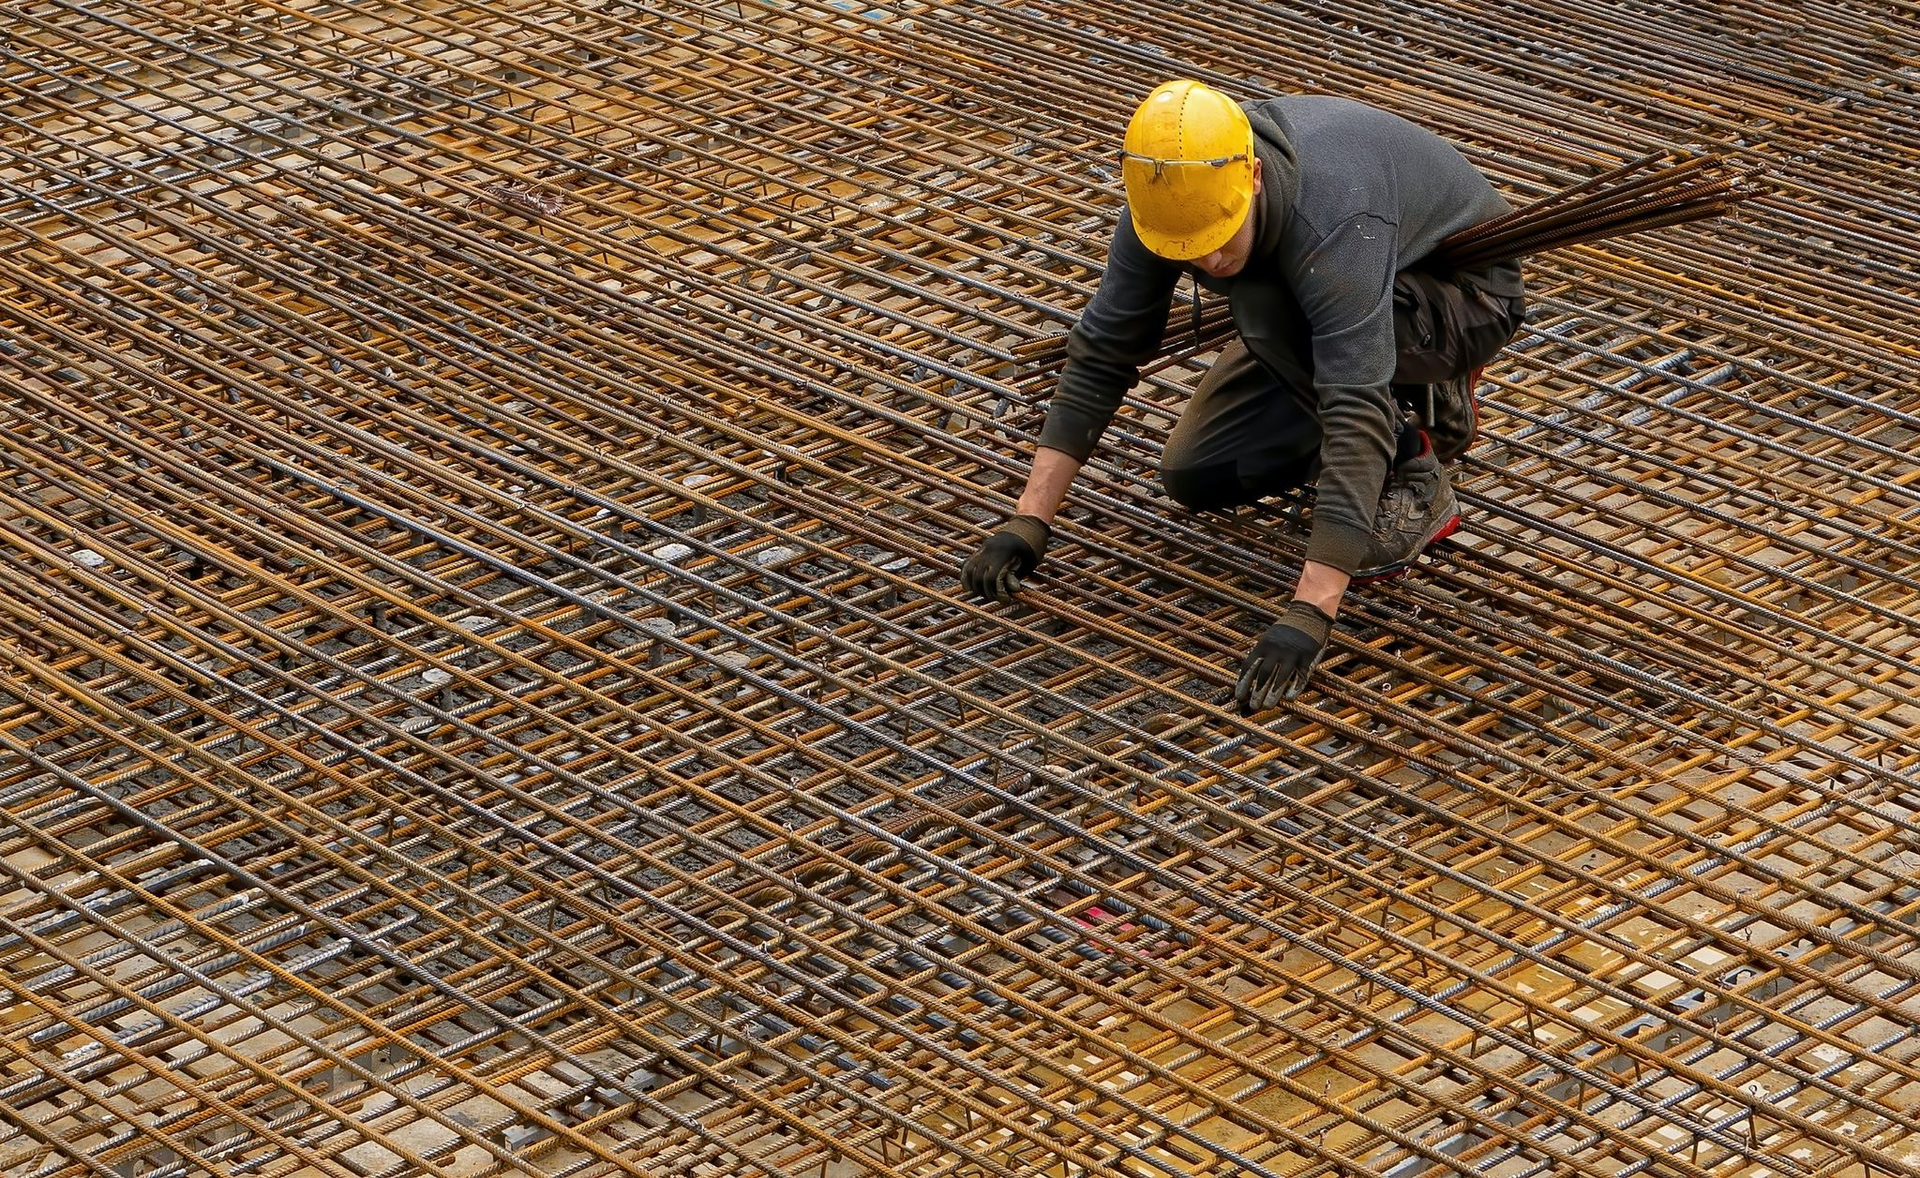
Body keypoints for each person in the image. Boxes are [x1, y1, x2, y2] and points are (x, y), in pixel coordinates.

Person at [961, 80, 1525, 712]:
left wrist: (1310, 611)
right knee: (1197, 475)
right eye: (1189, 250)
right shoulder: (1166, 198)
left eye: (1218, 236)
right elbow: (1103, 351)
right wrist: (1028, 519)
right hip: (1319, 301)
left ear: (1253, 177)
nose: (1207, 259)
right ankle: (1392, 386)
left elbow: (1352, 406)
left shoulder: (1333, 216)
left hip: (1460, 297)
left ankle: (1415, 457)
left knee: (1263, 301)